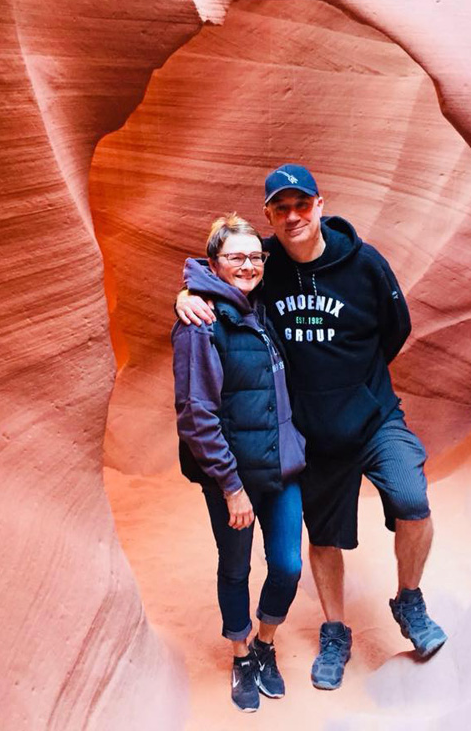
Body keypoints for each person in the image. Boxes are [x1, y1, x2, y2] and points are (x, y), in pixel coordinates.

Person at [176, 165, 446, 691]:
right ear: (270, 216)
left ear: (321, 204)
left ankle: (409, 600)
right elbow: (218, 278)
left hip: (372, 418)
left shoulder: (365, 264)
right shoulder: (264, 265)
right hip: (312, 435)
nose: (294, 216)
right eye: (282, 208)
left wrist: (355, 386)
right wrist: (184, 295)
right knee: (324, 537)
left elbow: (397, 329)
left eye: (303, 205)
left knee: (413, 499)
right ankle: (334, 630)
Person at [172, 213, 306, 712]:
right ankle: (241, 655)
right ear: (215, 263)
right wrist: (231, 486)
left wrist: (186, 290)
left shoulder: (260, 307)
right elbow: (196, 415)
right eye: (235, 258)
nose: (248, 265)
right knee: (235, 567)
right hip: (234, 479)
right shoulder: (201, 324)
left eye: (255, 257)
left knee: (288, 567)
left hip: (281, 469)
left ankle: (266, 644)